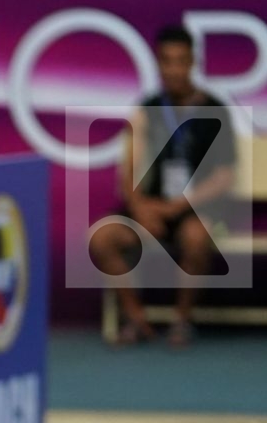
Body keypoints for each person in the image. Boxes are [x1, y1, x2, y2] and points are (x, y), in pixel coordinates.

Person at [88, 24, 238, 350]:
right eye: (167, 61)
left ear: (192, 63)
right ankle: (135, 317)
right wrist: (139, 206)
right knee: (102, 239)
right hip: (150, 209)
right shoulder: (147, 109)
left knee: (196, 238)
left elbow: (224, 177)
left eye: (181, 61)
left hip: (194, 208)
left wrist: (178, 205)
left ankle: (182, 320)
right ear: (158, 64)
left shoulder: (215, 110)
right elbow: (127, 169)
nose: (174, 69)